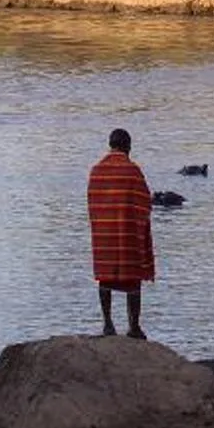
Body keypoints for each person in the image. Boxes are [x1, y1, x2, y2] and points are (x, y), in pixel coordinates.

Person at [87, 127, 155, 337]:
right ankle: (133, 327)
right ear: (128, 147)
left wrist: (102, 221)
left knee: (105, 277)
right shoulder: (132, 170)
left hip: (105, 233)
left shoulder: (96, 170)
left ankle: (108, 324)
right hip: (127, 233)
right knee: (133, 278)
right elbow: (145, 200)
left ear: (110, 144)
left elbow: (92, 200)